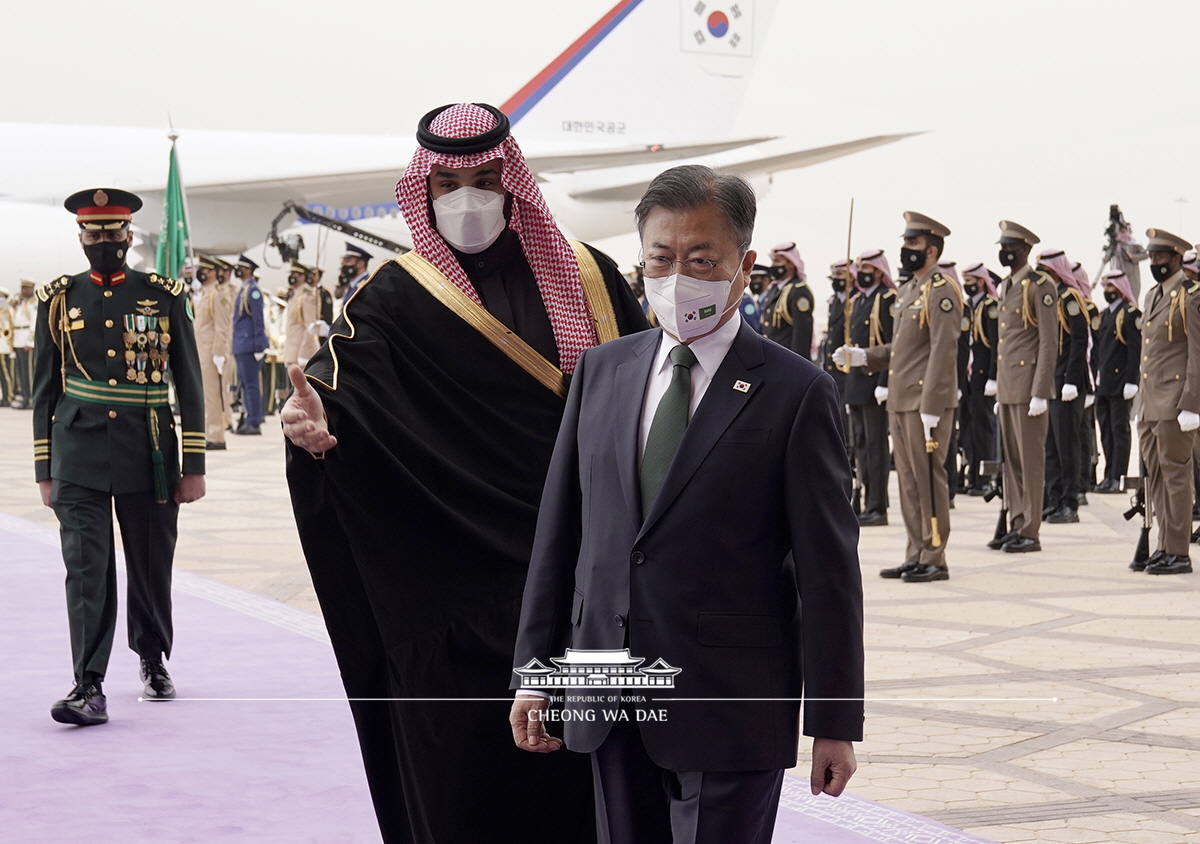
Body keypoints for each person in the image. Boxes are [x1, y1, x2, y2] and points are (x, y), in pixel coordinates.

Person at [281, 103, 647, 843]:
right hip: (460, 594)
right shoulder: (393, 296)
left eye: (484, 178)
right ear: (424, 189)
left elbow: (646, 400)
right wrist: (313, 430)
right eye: (448, 183)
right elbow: (340, 391)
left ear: (513, 182)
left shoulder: (591, 278)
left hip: (586, 583)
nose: (468, 198)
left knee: (596, 794)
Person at [510, 163, 862, 844]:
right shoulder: (602, 372)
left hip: (731, 705)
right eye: (661, 259)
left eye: (701, 260)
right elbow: (561, 536)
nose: (678, 278)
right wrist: (534, 672)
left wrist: (834, 721)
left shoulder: (796, 392)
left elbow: (828, 574)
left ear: (744, 264)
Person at [33, 188, 206, 726]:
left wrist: (194, 464)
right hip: (77, 450)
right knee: (86, 570)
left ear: (130, 236)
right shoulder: (58, 299)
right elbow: (43, 389)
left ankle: (152, 659)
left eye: (113, 233)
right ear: (81, 238)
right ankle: (89, 685)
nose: (104, 242)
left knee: (151, 561)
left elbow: (189, 380)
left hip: (149, 449)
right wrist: (45, 469)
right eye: (94, 234)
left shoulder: (164, 294)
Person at [838, 212, 961, 582]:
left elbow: (943, 350)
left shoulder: (941, 290)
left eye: (914, 243)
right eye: (905, 242)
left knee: (928, 478)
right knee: (908, 481)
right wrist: (864, 357)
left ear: (933, 249)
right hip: (900, 398)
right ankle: (916, 550)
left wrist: (933, 405)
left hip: (925, 403)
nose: (905, 248)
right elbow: (904, 350)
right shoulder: (909, 290)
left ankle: (935, 555)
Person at [987, 221, 1058, 553]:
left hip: (1029, 388)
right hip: (1009, 388)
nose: (1004, 251)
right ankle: (1017, 521)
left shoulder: (1040, 285)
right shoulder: (1005, 287)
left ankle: (1031, 529)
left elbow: (1048, 341)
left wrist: (1041, 391)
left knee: (1031, 462)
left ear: (1025, 249)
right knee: (1012, 462)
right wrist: (1001, 390)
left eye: (1010, 246)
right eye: (1002, 245)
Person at [1132, 228, 1200, 575]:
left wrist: (1192, 402)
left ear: (1176, 258)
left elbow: (1196, 353)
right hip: (1150, 403)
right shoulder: (1153, 296)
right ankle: (1164, 544)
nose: (1154, 263)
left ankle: (1179, 551)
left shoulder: (1190, 295)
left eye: (1160, 257)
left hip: (1175, 403)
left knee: (1176, 477)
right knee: (1156, 477)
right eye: (1152, 257)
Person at [843, 249, 895, 526]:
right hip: (857, 383)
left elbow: (890, 345)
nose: (861, 272)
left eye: (866, 267)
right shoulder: (859, 300)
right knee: (860, 444)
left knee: (876, 446)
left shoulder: (886, 300)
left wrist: (884, 382)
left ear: (878, 271)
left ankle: (878, 505)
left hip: (875, 382)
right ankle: (864, 499)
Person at [1036, 249, 1089, 523]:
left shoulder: (1070, 298)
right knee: (1052, 446)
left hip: (1068, 383)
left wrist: (1071, 380)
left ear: (1055, 271)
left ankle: (1070, 502)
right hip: (1051, 382)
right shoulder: (1048, 298)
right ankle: (1054, 499)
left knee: (1067, 446)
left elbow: (1080, 340)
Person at [1093, 267, 1141, 493]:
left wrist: (1132, 381)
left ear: (1121, 288)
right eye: (1105, 286)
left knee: (1119, 430)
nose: (1107, 290)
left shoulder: (1130, 313)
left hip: (1121, 383)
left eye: (1111, 286)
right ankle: (1109, 475)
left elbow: (1135, 350)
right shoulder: (1105, 315)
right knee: (1106, 431)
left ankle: (1118, 477)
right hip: (1104, 384)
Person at [960, 263, 999, 494]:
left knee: (984, 429)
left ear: (982, 282)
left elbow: (995, 345)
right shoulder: (968, 307)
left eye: (971, 281)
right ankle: (973, 477)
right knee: (968, 428)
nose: (967, 285)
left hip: (984, 377)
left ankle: (985, 479)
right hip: (968, 377)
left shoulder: (990, 307)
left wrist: (993, 378)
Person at [193, 255, 234, 450]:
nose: (201, 272)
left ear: (213, 273)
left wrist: (219, 352)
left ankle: (216, 435)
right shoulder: (204, 293)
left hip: (211, 352)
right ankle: (210, 431)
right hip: (201, 351)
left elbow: (222, 326)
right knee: (205, 395)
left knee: (212, 394)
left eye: (205, 270)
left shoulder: (218, 294)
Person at [231, 254, 268, 435]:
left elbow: (258, 319)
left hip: (249, 344)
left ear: (248, 270)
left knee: (251, 384)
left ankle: (254, 421)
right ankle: (248, 419)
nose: (237, 270)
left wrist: (260, 345)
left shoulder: (253, 290)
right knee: (245, 384)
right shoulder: (244, 289)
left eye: (241, 267)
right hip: (241, 344)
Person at [760, 242, 814, 359]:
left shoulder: (798, 291)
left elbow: (802, 335)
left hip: (787, 362)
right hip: (772, 359)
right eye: (773, 261)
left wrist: (798, 367)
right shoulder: (774, 290)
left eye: (778, 261)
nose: (773, 266)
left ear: (791, 264)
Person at [282, 261, 319, 368]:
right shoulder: (295, 294)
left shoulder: (307, 295)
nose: (291, 277)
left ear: (302, 276)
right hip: (292, 352)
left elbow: (310, 326)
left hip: (301, 354)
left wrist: (304, 354)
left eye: (294, 274)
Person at [12, 278, 37, 408]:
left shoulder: (34, 304)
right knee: (21, 372)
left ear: (31, 289)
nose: (23, 290)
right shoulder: (23, 303)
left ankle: (32, 398)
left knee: (29, 372)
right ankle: (25, 397)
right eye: (22, 288)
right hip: (18, 340)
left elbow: (34, 323)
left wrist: (30, 341)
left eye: (26, 288)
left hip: (26, 341)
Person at [337, 242, 372, 314]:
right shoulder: (352, 285)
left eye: (348, 261)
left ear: (360, 264)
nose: (344, 265)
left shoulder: (367, 286)